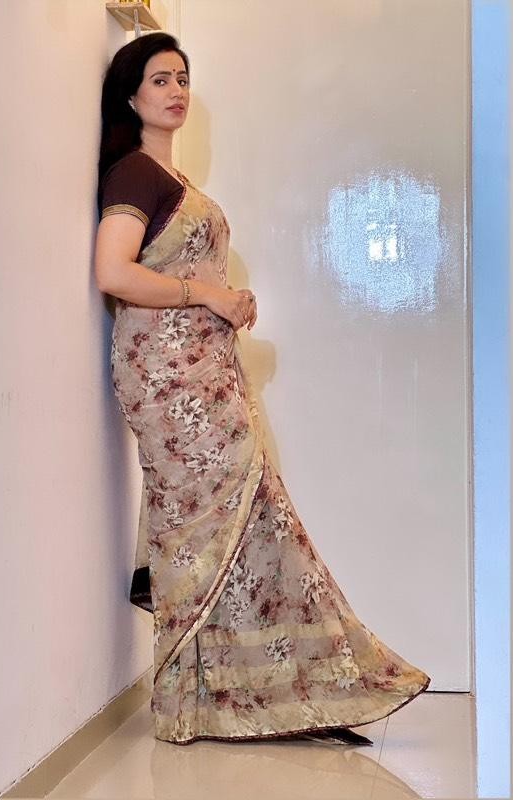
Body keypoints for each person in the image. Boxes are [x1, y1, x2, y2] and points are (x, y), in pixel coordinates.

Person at [94, 32, 431, 746]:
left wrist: (227, 302)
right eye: (160, 80)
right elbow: (114, 273)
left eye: (183, 78)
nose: (177, 91)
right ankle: (195, 699)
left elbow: (177, 275)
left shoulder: (174, 181)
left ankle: (277, 690)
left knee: (252, 518)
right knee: (200, 529)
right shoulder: (134, 174)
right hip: (170, 386)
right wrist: (208, 296)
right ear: (130, 96)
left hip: (206, 375)